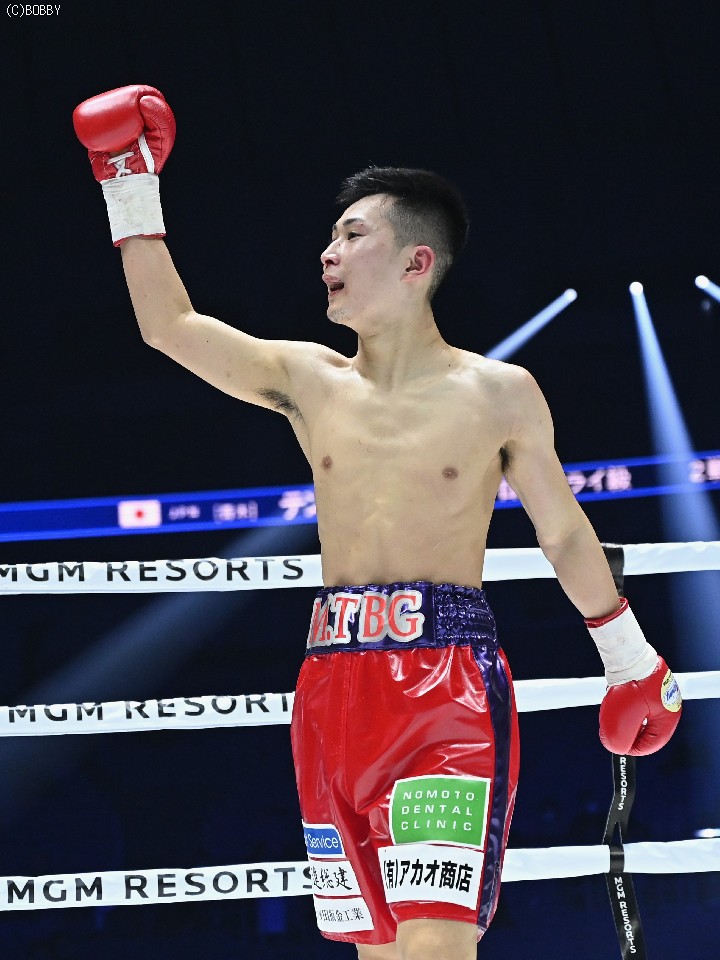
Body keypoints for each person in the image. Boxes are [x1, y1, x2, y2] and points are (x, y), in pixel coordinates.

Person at [73, 85, 682, 960]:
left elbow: (563, 532)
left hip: (446, 693)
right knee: (380, 951)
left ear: (416, 262)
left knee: (434, 946)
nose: (327, 251)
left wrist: (628, 658)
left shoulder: (498, 393)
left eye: (352, 234)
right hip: (333, 690)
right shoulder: (308, 380)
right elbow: (169, 327)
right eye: (330, 236)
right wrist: (128, 184)